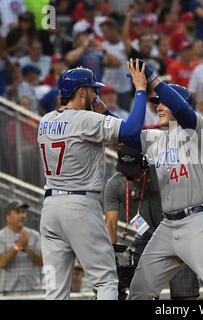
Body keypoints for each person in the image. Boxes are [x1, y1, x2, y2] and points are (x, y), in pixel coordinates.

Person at [123, 59, 203, 300]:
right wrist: (100, 103)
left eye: (163, 102)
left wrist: (153, 78)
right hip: (168, 227)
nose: (158, 106)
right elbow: (125, 132)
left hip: (198, 220)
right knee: (139, 292)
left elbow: (179, 107)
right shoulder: (156, 139)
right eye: (155, 102)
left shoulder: (196, 127)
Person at [37, 61, 150, 299]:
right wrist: (140, 89)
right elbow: (130, 131)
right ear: (81, 92)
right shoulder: (85, 120)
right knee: (106, 279)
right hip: (79, 205)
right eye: (92, 90)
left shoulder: (45, 120)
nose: (96, 94)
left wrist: (95, 101)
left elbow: (82, 118)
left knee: (55, 291)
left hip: (50, 208)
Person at [104, 144, 200, 300]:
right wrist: (110, 258)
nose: (129, 173)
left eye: (133, 169)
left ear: (144, 162)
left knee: (185, 292)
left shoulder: (163, 174)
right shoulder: (114, 184)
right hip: (146, 239)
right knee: (140, 293)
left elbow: (188, 199)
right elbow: (111, 224)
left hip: (176, 235)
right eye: (125, 169)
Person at [0, 199, 43, 296]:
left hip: (33, 291)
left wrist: (27, 248)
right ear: (8, 217)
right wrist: (18, 245)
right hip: (10, 292)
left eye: (23, 212)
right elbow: (1, 262)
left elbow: (42, 261)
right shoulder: (1, 237)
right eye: (17, 212)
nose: (22, 216)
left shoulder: (34, 235)